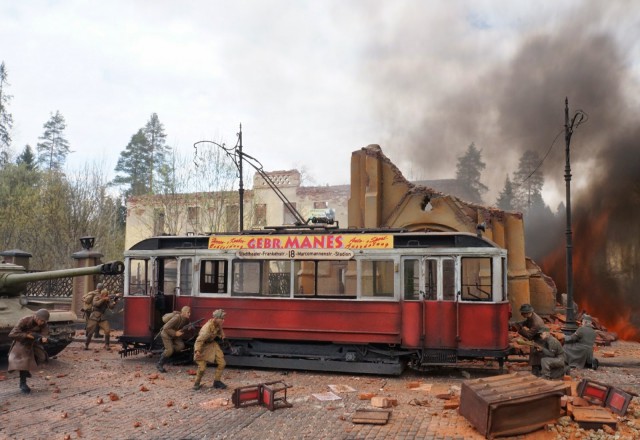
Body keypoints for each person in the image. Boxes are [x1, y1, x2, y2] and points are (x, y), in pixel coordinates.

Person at [8, 309, 50, 394]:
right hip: (22, 342)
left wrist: (44, 339)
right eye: (41, 321)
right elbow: (12, 334)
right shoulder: (24, 320)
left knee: (42, 357)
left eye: (44, 321)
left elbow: (45, 334)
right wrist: (27, 335)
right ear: (36, 317)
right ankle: (22, 383)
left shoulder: (44, 324)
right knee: (24, 361)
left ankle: (27, 370)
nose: (42, 323)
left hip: (34, 343)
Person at [193, 309, 227, 390]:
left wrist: (221, 334)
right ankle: (196, 383)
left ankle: (217, 382)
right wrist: (197, 351)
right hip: (203, 347)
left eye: (223, 318)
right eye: (221, 318)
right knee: (202, 368)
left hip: (212, 344)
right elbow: (199, 340)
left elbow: (219, 328)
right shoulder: (206, 329)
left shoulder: (217, 323)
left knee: (222, 363)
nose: (223, 320)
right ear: (216, 318)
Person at [157, 306, 192, 373]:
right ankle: (159, 364)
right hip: (166, 334)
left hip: (175, 336)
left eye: (190, 312)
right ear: (184, 312)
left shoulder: (186, 319)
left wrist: (189, 326)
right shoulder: (176, 318)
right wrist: (175, 333)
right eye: (188, 312)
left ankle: (168, 351)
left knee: (181, 346)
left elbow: (187, 323)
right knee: (170, 350)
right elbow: (165, 327)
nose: (189, 314)